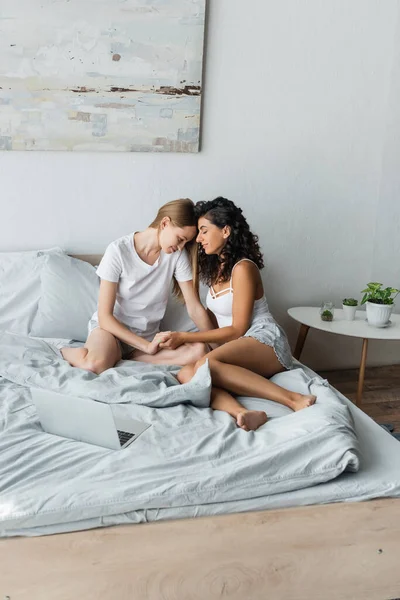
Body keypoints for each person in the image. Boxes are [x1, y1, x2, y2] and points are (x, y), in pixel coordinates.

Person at [159, 197, 316, 431]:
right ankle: (242, 412)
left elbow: (238, 328)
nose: (199, 238)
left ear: (225, 231)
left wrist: (184, 337)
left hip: (265, 339)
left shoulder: (243, 268)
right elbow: (218, 327)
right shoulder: (214, 271)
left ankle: (294, 399)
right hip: (241, 343)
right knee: (186, 374)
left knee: (206, 365)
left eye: (203, 231)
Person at [61, 199, 213, 374]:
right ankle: (64, 351)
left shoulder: (176, 256)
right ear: (165, 223)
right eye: (180, 239)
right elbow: (105, 317)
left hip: (145, 341)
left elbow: (194, 307)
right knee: (93, 365)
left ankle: (123, 358)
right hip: (111, 333)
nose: (180, 248)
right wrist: (147, 347)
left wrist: (219, 346)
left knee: (200, 352)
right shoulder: (118, 251)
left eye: (185, 242)